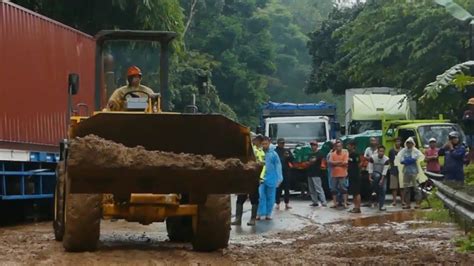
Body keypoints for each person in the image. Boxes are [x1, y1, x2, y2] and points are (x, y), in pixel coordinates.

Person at [231, 134, 264, 226]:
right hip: (244, 177)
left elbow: (262, 166)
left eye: (256, 140)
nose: (254, 141)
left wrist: (261, 177)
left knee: (254, 198)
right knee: (240, 198)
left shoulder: (260, 151)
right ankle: (238, 219)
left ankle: (252, 219)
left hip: (254, 177)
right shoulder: (246, 149)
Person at [257, 137, 283, 220]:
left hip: (272, 177)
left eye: (266, 144)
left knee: (271, 196)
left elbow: (278, 166)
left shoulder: (273, 154)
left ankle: (268, 213)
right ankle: (259, 213)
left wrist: (279, 178)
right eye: (263, 144)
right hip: (260, 177)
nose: (264, 145)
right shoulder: (258, 153)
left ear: (269, 143)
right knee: (260, 195)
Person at [396, 137, 424, 209]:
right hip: (406, 172)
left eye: (410, 143)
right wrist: (407, 161)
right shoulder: (403, 151)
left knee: (416, 188)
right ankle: (407, 204)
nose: (409, 144)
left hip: (414, 172)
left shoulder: (415, 151)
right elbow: (400, 159)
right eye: (408, 143)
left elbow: (417, 157)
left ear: (413, 143)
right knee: (406, 188)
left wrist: (408, 160)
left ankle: (418, 203)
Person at [368, 145, 390, 211]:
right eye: (380, 151)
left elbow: (385, 171)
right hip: (375, 173)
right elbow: (370, 168)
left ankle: (381, 205)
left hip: (383, 175)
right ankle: (374, 190)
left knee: (383, 189)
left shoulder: (386, 159)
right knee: (377, 176)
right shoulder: (373, 158)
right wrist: (369, 177)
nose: (381, 153)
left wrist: (382, 180)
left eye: (383, 151)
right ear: (377, 151)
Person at [328, 141, 349, 208]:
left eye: (339, 146)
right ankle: (335, 203)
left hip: (343, 174)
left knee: (343, 189)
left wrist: (335, 163)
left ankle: (345, 203)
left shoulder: (345, 153)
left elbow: (345, 162)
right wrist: (340, 162)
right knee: (333, 189)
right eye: (337, 146)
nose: (338, 147)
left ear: (342, 147)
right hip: (334, 174)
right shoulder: (332, 154)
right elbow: (330, 162)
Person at [307, 141, 327, 207]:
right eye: (312, 145)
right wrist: (309, 162)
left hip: (317, 173)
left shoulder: (319, 154)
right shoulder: (309, 154)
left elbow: (313, 161)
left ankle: (323, 201)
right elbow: (307, 162)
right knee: (311, 189)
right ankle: (314, 202)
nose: (313, 146)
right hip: (310, 173)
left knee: (318, 188)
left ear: (317, 146)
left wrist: (310, 162)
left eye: (314, 145)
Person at [275, 138, 294, 210]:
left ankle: (287, 203)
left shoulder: (287, 150)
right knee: (278, 189)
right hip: (278, 172)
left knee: (287, 188)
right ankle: (277, 203)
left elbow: (292, 159)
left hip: (286, 171)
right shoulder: (275, 151)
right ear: (278, 143)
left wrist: (288, 156)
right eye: (280, 143)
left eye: (283, 143)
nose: (282, 144)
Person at [388, 138, 404, 207]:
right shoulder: (391, 151)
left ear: (401, 142)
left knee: (402, 187)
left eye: (399, 141)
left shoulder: (403, 150)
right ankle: (394, 201)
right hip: (393, 170)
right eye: (396, 141)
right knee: (394, 187)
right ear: (394, 143)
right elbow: (390, 161)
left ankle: (403, 201)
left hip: (402, 170)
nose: (398, 143)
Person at [347, 140, 362, 213]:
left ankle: (358, 207)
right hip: (351, 175)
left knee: (357, 192)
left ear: (353, 146)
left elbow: (358, 163)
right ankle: (355, 206)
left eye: (349, 145)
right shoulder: (349, 154)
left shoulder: (355, 154)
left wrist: (356, 171)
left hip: (355, 175)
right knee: (353, 192)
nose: (347, 146)